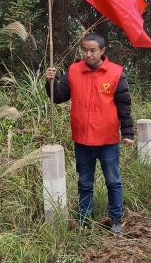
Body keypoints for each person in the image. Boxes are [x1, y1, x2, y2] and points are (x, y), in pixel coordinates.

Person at [45, 33, 134, 235]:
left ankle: (116, 219)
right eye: (84, 50)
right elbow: (58, 97)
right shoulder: (74, 71)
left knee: (113, 180)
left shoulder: (116, 73)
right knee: (85, 182)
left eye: (93, 50)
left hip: (108, 139)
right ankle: (85, 220)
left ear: (102, 51)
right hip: (82, 139)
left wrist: (128, 132)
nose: (88, 54)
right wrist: (50, 81)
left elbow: (124, 106)